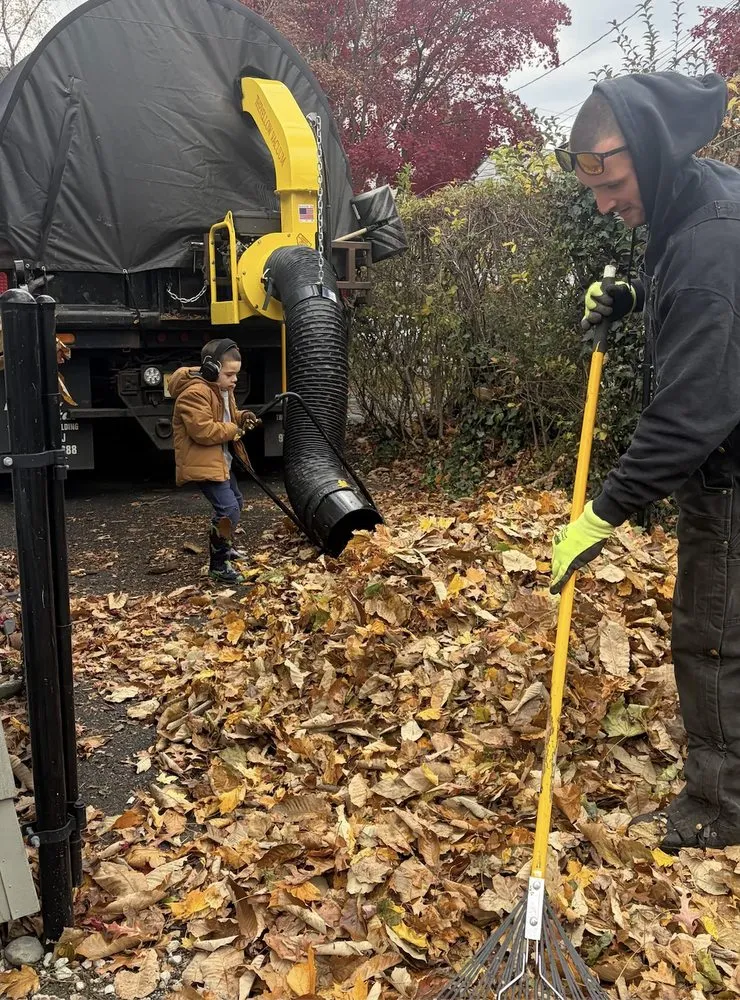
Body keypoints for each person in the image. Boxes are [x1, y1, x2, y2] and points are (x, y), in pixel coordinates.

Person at [550, 71, 740, 850]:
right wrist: (633, 294)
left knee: (712, 633)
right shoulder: (701, 198)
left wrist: (604, 510)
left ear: (653, 155)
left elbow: (692, 414)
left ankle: (721, 806)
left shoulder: (705, 244)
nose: (604, 205)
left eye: (614, 184)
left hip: (731, 473)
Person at [170, 338, 260, 585]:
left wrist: (243, 417)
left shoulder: (222, 390)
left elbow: (228, 416)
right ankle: (219, 565)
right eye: (229, 374)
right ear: (211, 369)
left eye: (236, 374)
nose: (234, 380)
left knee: (236, 502)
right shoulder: (193, 394)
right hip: (203, 463)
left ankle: (226, 546)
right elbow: (203, 429)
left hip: (221, 460)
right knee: (227, 509)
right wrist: (234, 430)